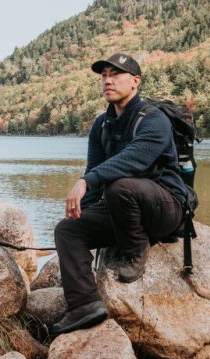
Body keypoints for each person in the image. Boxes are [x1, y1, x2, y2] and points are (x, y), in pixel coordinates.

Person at [50, 53, 189, 336]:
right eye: (104, 76)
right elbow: (96, 169)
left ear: (135, 82)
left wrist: (85, 182)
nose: (108, 81)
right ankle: (85, 304)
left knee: (120, 184)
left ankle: (135, 250)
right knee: (68, 230)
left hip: (165, 207)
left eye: (116, 75)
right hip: (123, 209)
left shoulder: (154, 119)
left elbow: (133, 160)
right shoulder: (102, 125)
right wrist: (84, 216)